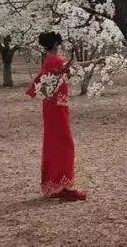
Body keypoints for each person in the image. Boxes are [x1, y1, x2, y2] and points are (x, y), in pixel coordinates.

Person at [26, 31, 87, 201]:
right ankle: (66, 186)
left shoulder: (49, 61)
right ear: (55, 45)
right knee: (65, 145)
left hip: (52, 107)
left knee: (54, 144)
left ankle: (55, 184)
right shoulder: (56, 61)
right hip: (57, 108)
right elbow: (72, 71)